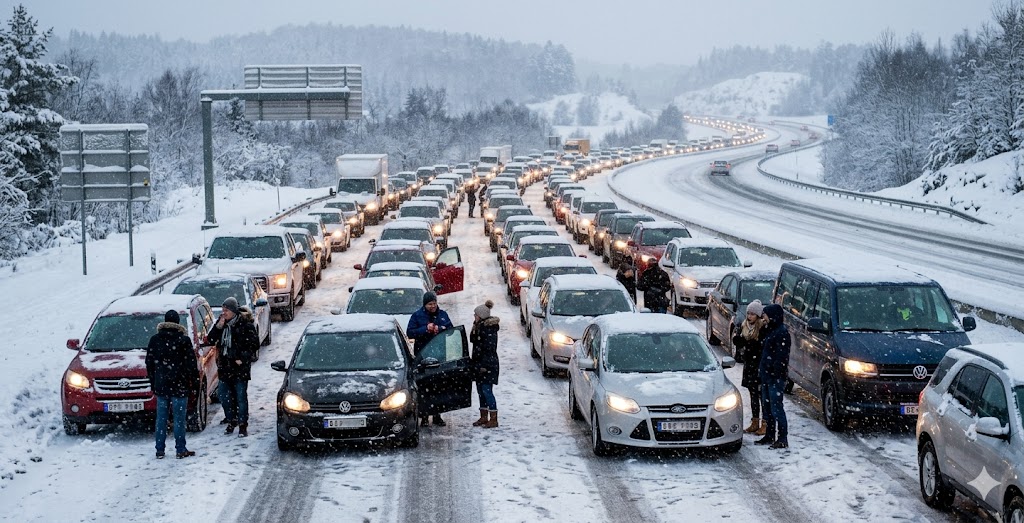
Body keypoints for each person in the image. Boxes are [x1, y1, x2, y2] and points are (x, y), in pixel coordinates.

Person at [145, 310, 199, 459]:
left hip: (161, 386)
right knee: (179, 419)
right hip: (180, 385)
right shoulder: (184, 340)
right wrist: (194, 383)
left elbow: (149, 364)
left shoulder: (155, 340)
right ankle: (180, 449)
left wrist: (154, 382)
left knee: (161, 419)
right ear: (178, 323)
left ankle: (160, 449)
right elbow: (191, 365)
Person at [208, 297, 260, 437]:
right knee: (224, 396)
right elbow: (211, 339)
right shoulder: (221, 324)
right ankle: (232, 420)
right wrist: (218, 327)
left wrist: (241, 357)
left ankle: (243, 425)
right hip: (225, 368)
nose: (224, 312)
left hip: (239, 368)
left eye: (226, 310)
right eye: (223, 310)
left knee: (240, 397)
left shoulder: (244, 325)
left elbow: (254, 344)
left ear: (233, 311)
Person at [406, 291, 454, 426]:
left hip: (439, 356)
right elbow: (410, 332)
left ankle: (437, 415)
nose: (433, 306)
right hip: (423, 356)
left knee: (438, 387)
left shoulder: (443, 315)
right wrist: (425, 329)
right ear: (424, 304)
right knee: (424, 387)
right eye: (429, 304)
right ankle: (425, 416)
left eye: (434, 303)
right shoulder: (417, 316)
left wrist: (440, 328)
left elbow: (451, 330)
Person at [756, 303, 792, 449]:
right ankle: (770, 435)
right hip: (767, 375)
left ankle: (782, 438)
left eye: (764, 315)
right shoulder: (770, 330)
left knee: (776, 407)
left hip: (774, 377)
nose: (762, 317)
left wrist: (775, 373)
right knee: (767, 407)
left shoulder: (781, 333)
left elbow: (781, 357)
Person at [732, 300, 766, 435]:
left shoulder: (762, 328)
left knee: (762, 395)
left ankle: (765, 423)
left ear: (758, 315)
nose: (750, 316)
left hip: (758, 365)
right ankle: (755, 421)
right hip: (749, 365)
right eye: (748, 313)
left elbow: (760, 347)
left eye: (753, 314)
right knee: (752, 395)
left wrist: (750, 345)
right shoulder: (744, 326)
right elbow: (740, 342)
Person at [469, 300, 500, 428]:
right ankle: (483, 416)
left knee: (487, 391)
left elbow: (488, 350)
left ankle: (493, 419)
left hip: (487, 366)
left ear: (481, 316)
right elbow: (472, 340)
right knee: (481, 390)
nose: (474, 317)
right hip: (479, 365)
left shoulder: (488, 330)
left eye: (476, 315)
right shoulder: (479, 328)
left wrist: (484, 366)